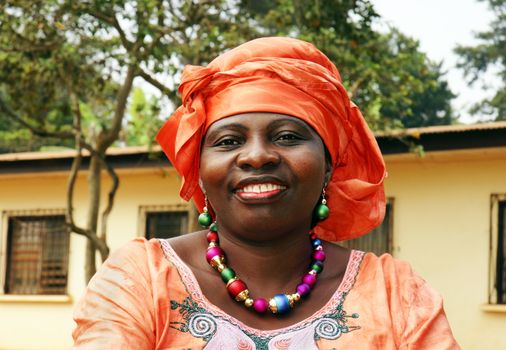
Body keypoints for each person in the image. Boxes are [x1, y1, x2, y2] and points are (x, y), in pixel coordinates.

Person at [72, 37, 459, 349]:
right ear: (200, 172)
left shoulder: (396, 294)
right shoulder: (141, 278)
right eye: (227, 141)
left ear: (328, 165)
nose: (257, 156)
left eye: (288, 137)